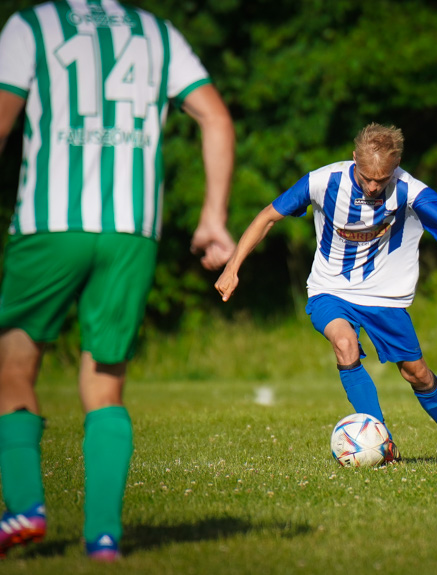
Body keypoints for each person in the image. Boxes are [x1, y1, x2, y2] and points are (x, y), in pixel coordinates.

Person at [0, 0, 235, 561]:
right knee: (104, 383)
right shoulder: (155, 30)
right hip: (133, 229)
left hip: (49, 225)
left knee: (12, 365)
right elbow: (215, 116)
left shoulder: (32, 25)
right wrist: (213, 216)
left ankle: (26, 509)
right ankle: (102, 537)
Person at [215, 123, 437, 467]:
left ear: (397, 165)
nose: (375, 186)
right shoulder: (323, 181)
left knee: (417, 373)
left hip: (384, 297)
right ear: (353, 160)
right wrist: (233, 266)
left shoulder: (409, 189)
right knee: (345, 344)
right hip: (329, 290)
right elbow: (268, 217)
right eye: (367, 177)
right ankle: (383, 445)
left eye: (383, 178)